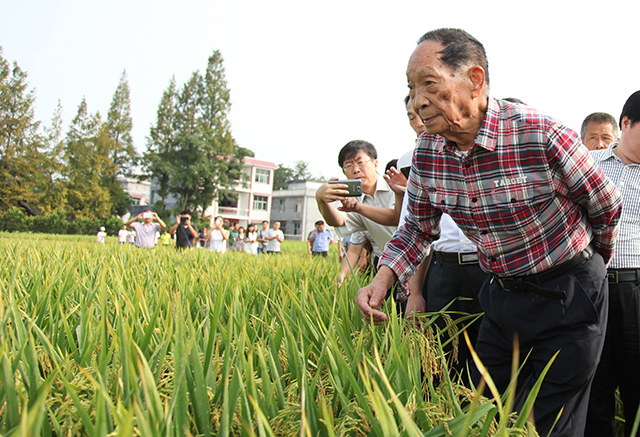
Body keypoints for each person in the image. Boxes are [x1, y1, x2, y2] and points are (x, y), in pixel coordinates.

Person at [355, 28, 622, 437]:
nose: (417, 101)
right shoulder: (428, 153)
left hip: (569, 296)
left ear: (475, 80)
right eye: (410, 89)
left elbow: (605, 204)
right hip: (501, 297)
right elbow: (416, 229)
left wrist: (590, 268)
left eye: (429, 83)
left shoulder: (541, 133)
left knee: (550, 424)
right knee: (487, 413)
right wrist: (383, 277)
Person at [586, 91, 640, 437]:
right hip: (592, 288)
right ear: (626, 124)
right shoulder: (589, 163)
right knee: (593, 386)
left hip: (637, 290)